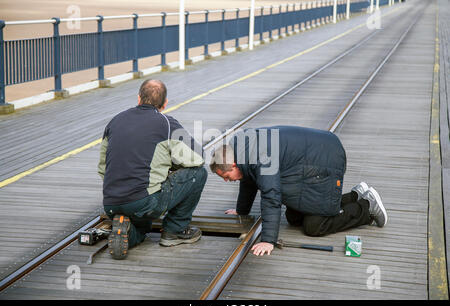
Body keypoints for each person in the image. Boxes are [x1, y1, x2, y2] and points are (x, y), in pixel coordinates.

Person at [209, 125, 387, 256]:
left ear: (232, 165)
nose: (226, 180)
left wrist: (267, 240)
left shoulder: (260, 157)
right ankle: (354, 195)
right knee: (293, 218)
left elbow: (271, 195)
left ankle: (366, 207)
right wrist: (241, 211)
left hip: (324, 163)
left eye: (225, 175)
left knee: (314, 226)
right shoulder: (241, 151)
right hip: (309, 160)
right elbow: (249, 180)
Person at [98, 79, 207, 260]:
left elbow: (103, 167)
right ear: (164, 104)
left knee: (142, 227)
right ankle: (175, 231)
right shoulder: (166, 123)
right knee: (198, 174)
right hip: (144, 202)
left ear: (139, 98)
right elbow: (198, 158)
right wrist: (171, 166)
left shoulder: (114, 121)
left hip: (111, 202)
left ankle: (126, 229)